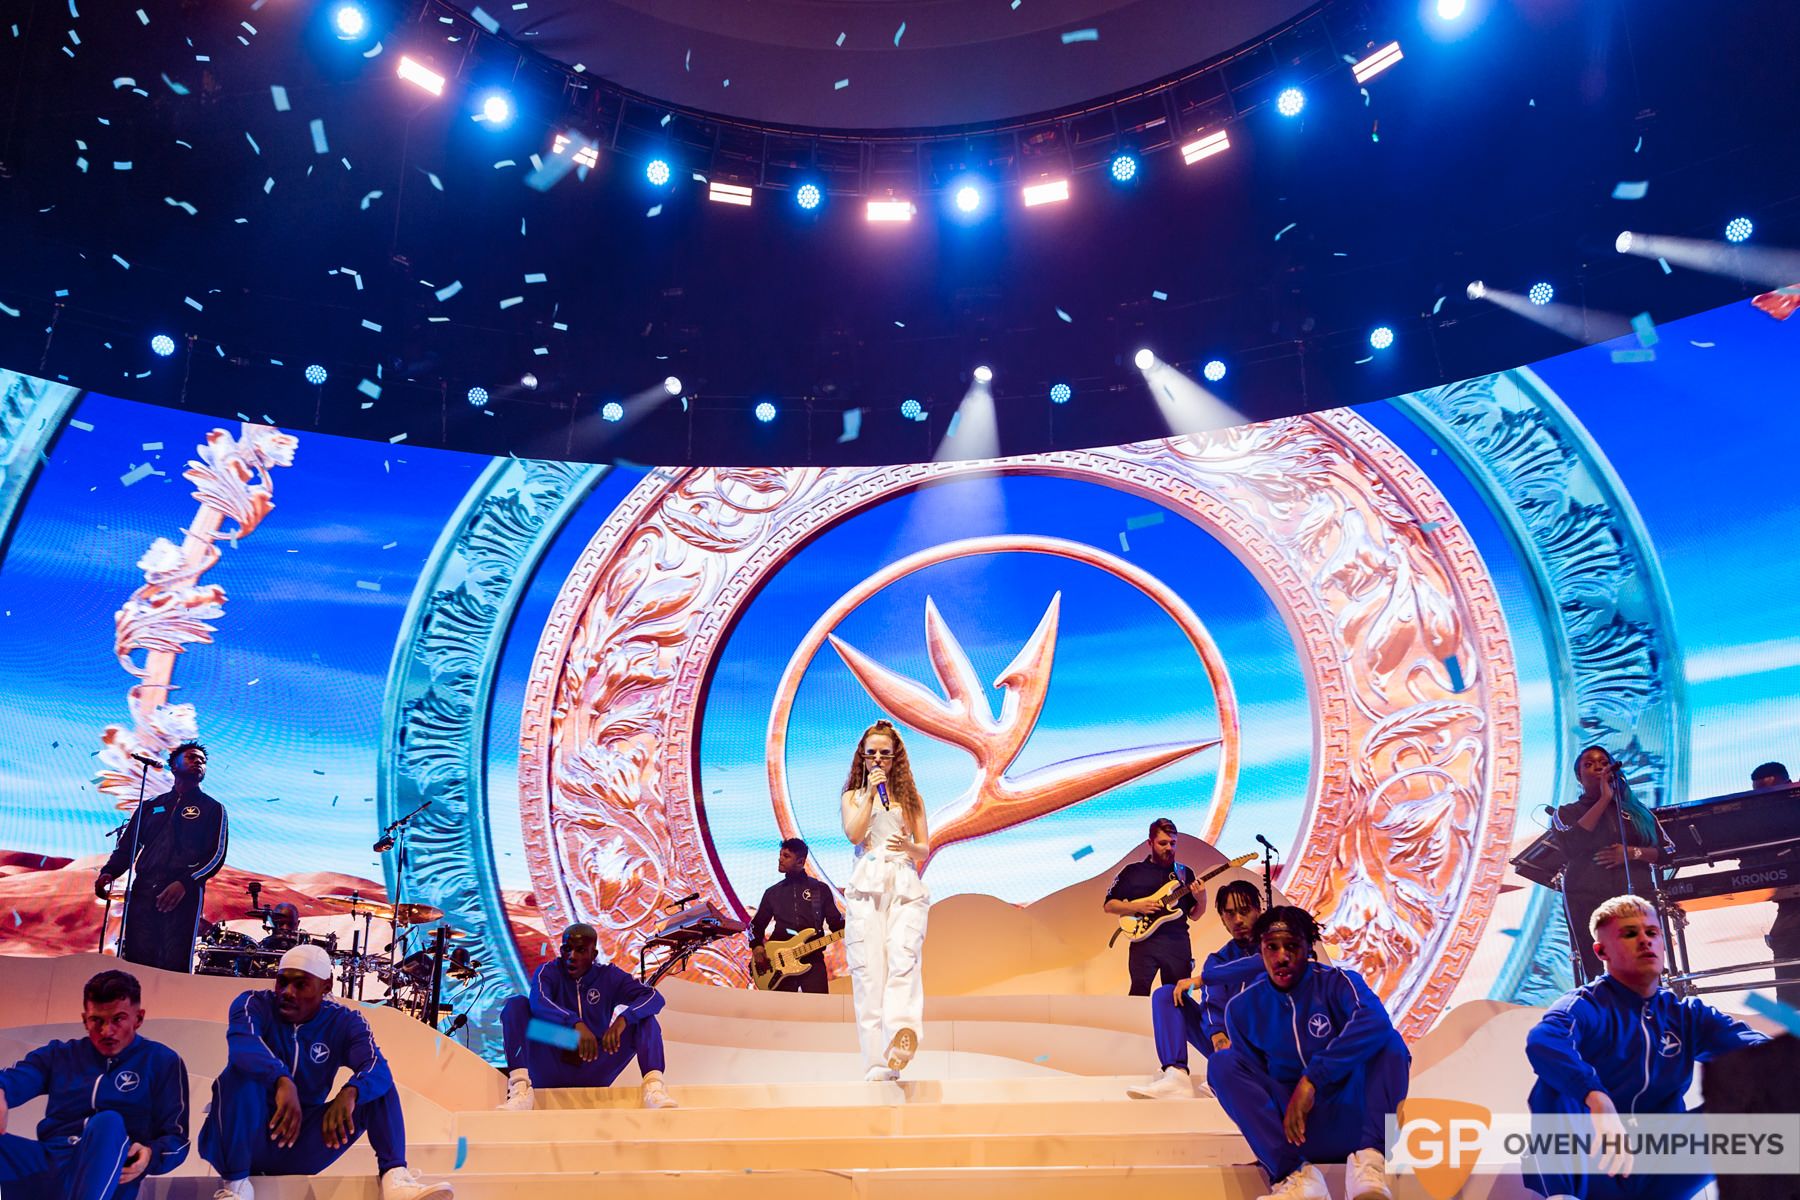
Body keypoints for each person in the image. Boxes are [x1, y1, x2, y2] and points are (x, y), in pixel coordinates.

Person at [1524, 894, 1767, 1200]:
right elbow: (1544, 1040)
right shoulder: (1585, 1006)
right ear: (1602, 951)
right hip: (1593, 1162)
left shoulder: (1686, 1015)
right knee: (1552, 1081)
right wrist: (1597, 1099)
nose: (1644, 940)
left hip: (1661, 1161)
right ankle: (1562, 1196)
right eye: (1629, 933)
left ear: (1664, 945)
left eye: (1652, 933)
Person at [197, 944, 451, 1200]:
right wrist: (282, 1080)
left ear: (326, 987)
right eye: (282, 982)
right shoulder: (253, 1003)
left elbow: (376, 1067)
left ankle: (396, 1179)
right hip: (244, 1141)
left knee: (377, 1086)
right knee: (238, 1077)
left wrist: (352, 1092)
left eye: (300, 985)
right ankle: (235, 1186)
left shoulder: (344, 1021)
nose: (287, 992)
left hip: (299, 1141)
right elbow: (244, 1045)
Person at [1207, 906, 1408, 1200]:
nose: (1282, 957)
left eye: (1292, 946)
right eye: (1271, 947)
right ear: (1259, 952)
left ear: (1309, 947)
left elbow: (1374, 1021)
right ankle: (1294, 1177)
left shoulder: (1339, 983)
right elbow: (1254, 1084)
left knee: (1389, 1042)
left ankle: (1369, 1164)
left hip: (1353, 1122)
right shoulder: (1241, 1009)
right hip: (1295, 1133)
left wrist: (1312, 1078)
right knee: (1222, 1064)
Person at [0, 969, 188, 1199]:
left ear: (138, 1018)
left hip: (112, 1173)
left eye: (118, 1019)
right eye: (96, 1020)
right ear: (84, 1020)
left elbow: (177, 1139)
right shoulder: (60, 1054)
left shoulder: (162, 1061)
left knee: (108, 1122)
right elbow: (17, 1078)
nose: (106, 1031)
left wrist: (150, 1155)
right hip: (50, 1160)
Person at [497, 924, 677, 1112]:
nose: (572, 956)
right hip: (554, 1050)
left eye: (581, 950)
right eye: (567, 949)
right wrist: (575, 1024)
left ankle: (654, 1089)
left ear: (594, 954)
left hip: (595, 1058)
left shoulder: (609, 976)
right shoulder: (549, 971)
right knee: (516, 1005)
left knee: (644, 1019)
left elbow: (654, 998)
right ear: (561, 950)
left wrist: (623, 1019)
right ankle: (520, 1090)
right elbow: (539, 1002)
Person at [839, 718, 931, 1082]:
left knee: (904, 958)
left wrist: (910, 846)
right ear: (862, 757)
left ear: (896, 758)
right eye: (871, 753)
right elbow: (853, 834)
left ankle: (901, 1036)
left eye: (885, 754)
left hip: (904, 882)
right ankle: (876, 1060)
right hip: (867, 883)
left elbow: (923, 847)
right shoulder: (852, 797)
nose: (878, 760)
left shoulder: (912, 799)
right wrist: (868, 796)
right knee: (868, 973)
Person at [95, 742, 229, 974]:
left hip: (182, 894)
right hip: (143, 891)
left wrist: (185, 883)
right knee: (137, 961)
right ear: (173, 765)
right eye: (191, 757)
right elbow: (128, 846)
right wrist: (109, 871)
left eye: (202, 761)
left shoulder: (213, 808)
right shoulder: (150, 806)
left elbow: (215, 855)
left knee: (173, 964)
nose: (199, 762)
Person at [1129, 878, 1264, 1099]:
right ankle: (1176, 1076)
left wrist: (1202, 978)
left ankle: (1235, 1075)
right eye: (1230, 914)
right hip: (1228, 1048)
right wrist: (1219, 1040)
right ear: (1222, 920)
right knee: (1166, 994)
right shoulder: (1218, 959)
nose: (1238, 920)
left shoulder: (1274, 948)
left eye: (1244, 911)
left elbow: (1261, 963)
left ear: (1259, 911)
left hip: (1268, 1047)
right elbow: (1213, 1003)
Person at [1550, 745, 1669, 982]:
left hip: (1636, 896)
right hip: (1587, 899)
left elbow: (1668, 851)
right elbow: (1572, 845)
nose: (1598, 768)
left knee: (1642, 962)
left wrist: (1632, 852)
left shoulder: (1637, 812)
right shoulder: (1565, 813)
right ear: (1578, 777)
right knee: (1599, 968)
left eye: (1604, 763)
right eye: (1589, 764)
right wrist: (1604, 798)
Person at [1103, 817, 1209, 995]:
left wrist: (1202, 898)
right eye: (1163, 843)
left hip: (1177, 944)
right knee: (1138, 995)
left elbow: (1195, 915)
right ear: (1149, 843)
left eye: (1173, 843)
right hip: (1144, 944)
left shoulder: (1184, 873)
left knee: (1180, 998)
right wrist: (1137, 907)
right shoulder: (1132, 872)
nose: (1169, 848)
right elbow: (1109, 905)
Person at [749, 837, 846, 994]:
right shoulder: (772, 893)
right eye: (780, 854)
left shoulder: (820, 889)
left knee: (819, 1010)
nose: (780, 859)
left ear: (800, 862)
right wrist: (756, 946)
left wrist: (858, 923)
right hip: (778, 964)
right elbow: (755, 926)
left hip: (812, 959)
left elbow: (836, 924)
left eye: (786, 856)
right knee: (781, 1013)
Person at [1747, 761, 1799, 1007]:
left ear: (1789, 786)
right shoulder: (1757, 827)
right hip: (1790, 910)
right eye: (1759, 795)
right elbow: (1748, 867)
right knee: (1785, 935)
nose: (1766, 800)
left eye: (1771, 792)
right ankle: (1791, 1026)